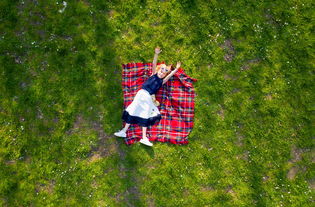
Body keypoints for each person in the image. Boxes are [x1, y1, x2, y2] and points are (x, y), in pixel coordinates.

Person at [114, 47, 181, 146]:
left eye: (164, 73)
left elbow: (170, 76)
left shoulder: (162, 81)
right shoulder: (153, 74)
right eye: (161, 71)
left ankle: (144, 137)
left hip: (149, 98)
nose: (162, 73)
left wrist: (176, 69)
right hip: (141, 94)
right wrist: (156, 54)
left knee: (145, 114)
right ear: (158, 70)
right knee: (133, 110)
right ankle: (124, 131)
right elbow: (154, 63)